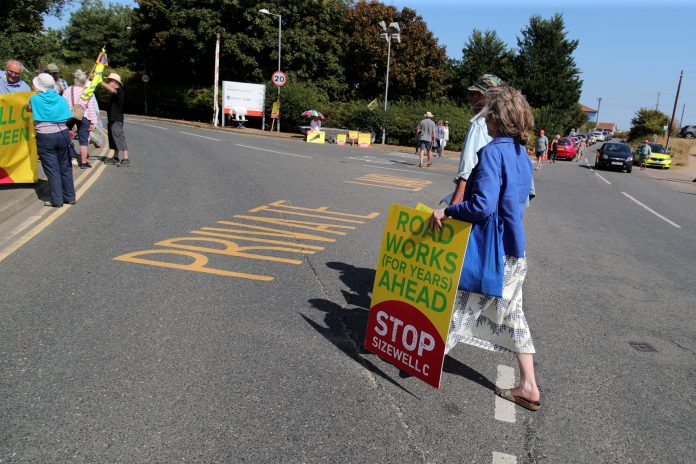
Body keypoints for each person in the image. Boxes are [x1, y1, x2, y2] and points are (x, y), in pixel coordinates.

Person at [428, 85, 540, 411]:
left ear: (496, 118)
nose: (484, 118)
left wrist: (447, 210)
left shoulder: (493, 152)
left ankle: (417, 358)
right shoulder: (522, 156)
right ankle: (529, 387)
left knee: (459, 309)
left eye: (487, 113)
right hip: (514, 250)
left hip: (492, 254)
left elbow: (481, 206)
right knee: (515, 316)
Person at [449, 74, 503, 204]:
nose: (471, 98)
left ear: (486, 96)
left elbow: (467, 172)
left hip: (476, 200)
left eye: (475, 93)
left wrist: (451, 210)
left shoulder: (480, 123)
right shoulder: (505, 123)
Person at [26, 73, 76, 208]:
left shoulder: (34, 99)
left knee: (52, 169)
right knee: (65, 167)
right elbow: (67, 116)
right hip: (63, 134)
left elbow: (27, 109)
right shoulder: (60, 99)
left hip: (46, 137)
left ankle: (57, 200)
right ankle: (70, 197)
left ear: (38, 86)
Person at [63, 69, 98, 169]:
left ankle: (69, 157)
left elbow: (63, 103)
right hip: (84, 116)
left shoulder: (68, 90)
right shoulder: (87, 92)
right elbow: (91, 107)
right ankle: (83, 162)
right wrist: (93, 123)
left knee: (65, 135)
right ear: (84, 81)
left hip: (69, 115)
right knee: (83, 140)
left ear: (75, 80)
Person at [100, 73, 130, 166]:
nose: (107, 82)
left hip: (117, 119)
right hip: (112, 118)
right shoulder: (114, 92)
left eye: (109, 81)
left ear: (114, 82)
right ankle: (115, 157)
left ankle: (126, 158)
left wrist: (99, 81)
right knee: (113, 138)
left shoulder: (119, 90)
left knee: (119, 136)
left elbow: (112, 90)